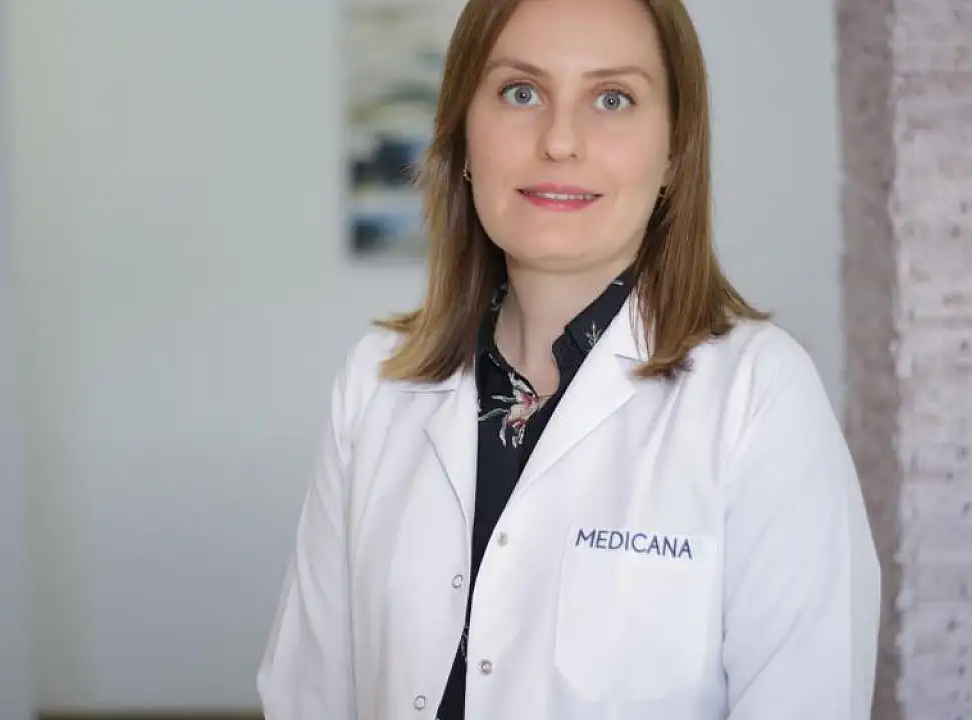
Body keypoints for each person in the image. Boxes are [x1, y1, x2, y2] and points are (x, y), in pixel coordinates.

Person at [256, 0, 881, 717]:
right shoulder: (375, 384)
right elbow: (307, 698)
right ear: (463, 135)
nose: (559, 140)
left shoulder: (759, 395)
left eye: (612, 99)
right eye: (521, 92)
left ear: (674, 151)